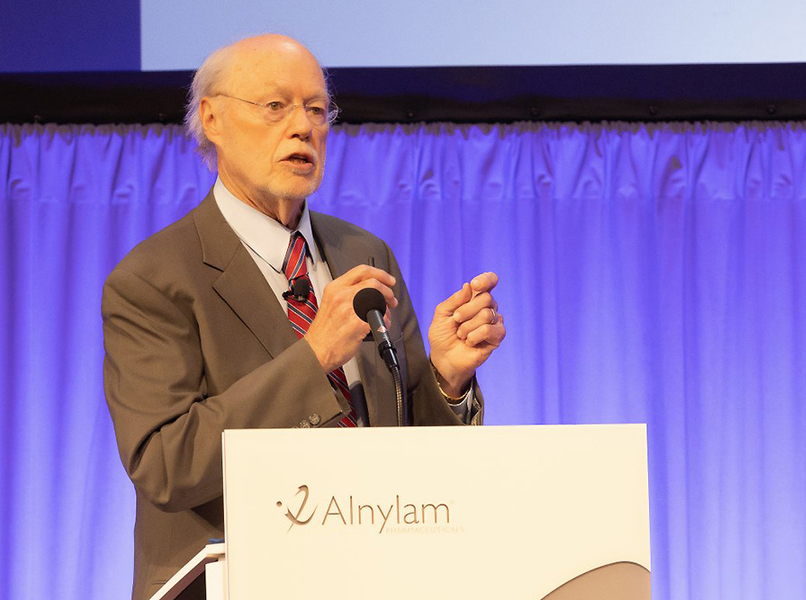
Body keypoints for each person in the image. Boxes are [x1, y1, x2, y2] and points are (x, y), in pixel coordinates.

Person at [102, 34, 505, 600]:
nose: (303, 127)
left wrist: (446, 378)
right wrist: (313, 358)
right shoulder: (153, 278)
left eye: (317, 110)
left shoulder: (365, 254)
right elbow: (168, 463)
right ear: (213, 119)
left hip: (380, 578)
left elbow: (414, 458)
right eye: (275, 107)